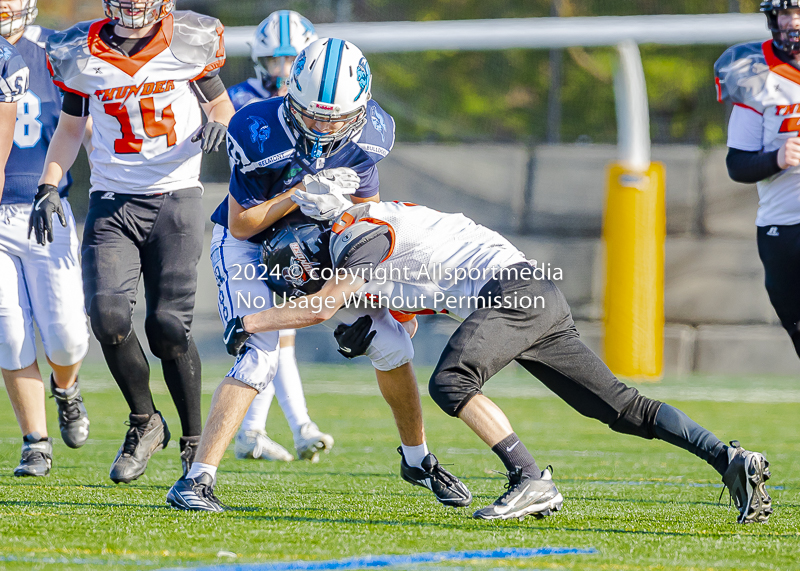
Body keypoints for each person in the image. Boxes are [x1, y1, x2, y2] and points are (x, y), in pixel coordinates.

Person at [220, 197, 774, 524]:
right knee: (621, 409)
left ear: (310, 242)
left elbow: (320, 308)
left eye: (303, 270)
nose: (310, 279)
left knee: (451, 382)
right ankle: (729, 458)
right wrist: (370, 328)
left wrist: (246, 322)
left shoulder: (354, 231)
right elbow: (406, 303)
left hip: (511, 291)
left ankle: (529, 478)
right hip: (528, 293)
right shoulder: (363, 238)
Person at [165, 38, 471, 512]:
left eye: (335, 118)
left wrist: (343, 225)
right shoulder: (255, 126)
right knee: (259, 359)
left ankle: (417, 459)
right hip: (246, 244)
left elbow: (364, 220)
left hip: (317, 242)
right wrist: (298, 194)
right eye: (311, 114)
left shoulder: (373, 133)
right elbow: (243, 222)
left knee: (394, 343)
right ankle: (196, 480)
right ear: (291, 95)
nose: (322, 125)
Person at [37, 0, 234, 483]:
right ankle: (145, 421)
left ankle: (193, 441)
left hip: (177, 197)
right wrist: (48, 184)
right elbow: (69, 130)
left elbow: (221, 105)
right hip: (112, 200)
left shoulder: (189, 38)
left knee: (168, 326)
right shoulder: (80, 51)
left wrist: (220, 125)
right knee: (106, 318)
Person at [226, 10, 331, 463]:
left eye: (291, 61)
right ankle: (289, 426)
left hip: (294, 225)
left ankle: (266, 428)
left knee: (281, 333)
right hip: (258, 223)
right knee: (273, 334)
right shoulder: (240, 102)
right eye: (275, 60)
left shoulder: (323, 108)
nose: (283, 71)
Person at [1, 0, 91, 477]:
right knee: (9, 333)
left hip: (44, 208)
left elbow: (83, 126)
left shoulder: (55, 52)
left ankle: (67, 389)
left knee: (67, 336)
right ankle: (35, 441)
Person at [718, 3, 800, 388]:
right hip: (783, 230)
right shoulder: (757, 75)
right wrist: (777, 158)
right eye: (784, 13)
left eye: (799, 11)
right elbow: (738, 164)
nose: (791, 21)